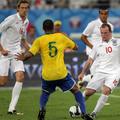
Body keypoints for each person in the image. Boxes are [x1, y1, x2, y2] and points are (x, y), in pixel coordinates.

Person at [16, 19, 93, 120]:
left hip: (47, 75)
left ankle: (42, 109)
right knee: (76, 90)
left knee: (45, 92)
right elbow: (76, 47)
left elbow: (30, 54)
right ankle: (83, 113)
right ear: (53, 28)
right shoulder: (61, 37)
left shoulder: (39, 40)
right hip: (61, 73)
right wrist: (66, 44)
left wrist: (23, 58)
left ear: (43, 29)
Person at [78, 23, 120, 119]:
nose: (103, 35)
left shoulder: (118, 42)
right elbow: (90, 60)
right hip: (100, 72)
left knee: (106, 90)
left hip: (114, 73)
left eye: (105, 33)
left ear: (110, 32)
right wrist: (82, 72)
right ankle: (79, 107)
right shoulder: (97, 45)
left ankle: (93, 114)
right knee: (88, 92)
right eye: (102, 33)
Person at [0, 0, 30, 114]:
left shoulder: (26, 21)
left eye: (26, 8)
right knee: (2, 82)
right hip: (5, 53)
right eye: (22, 8)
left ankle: (11, 108)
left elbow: (23, 39)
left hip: (17, 53)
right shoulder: (11, 19)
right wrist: (2, 49)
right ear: (18, 8)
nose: (24, 10)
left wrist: (32, 50)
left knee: (20, 77)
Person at [79, 8, 114, 87]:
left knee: (100, 78)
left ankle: (84, 79)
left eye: (105, 14)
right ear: (99, 14)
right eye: (102, 13)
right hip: (94, 54)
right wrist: (93, 48)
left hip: (104, 53)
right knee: (97, 78)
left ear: (108, 14)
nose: (104, 15)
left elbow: (109, 39)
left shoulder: (110, 26)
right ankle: (84, 79)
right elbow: (83, 37)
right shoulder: (93, 24)